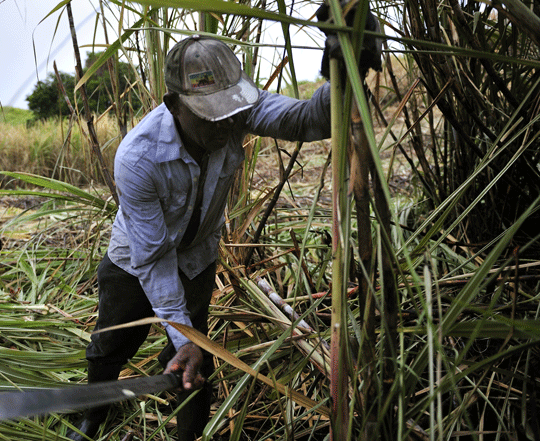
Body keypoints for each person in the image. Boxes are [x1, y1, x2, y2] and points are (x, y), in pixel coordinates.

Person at [69, 27, 380, 441]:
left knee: (196, 362)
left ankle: (190, 434)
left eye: (229, 109)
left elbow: (310, 119)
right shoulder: (138, 157)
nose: (225, 123)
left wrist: (342, 74)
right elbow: (155, 259)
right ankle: (93, 414)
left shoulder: (239, 111)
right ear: (174, 105)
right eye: (208, 113)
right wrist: (185, 337)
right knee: (112, 344)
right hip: (135, 259)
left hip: (196, 257)